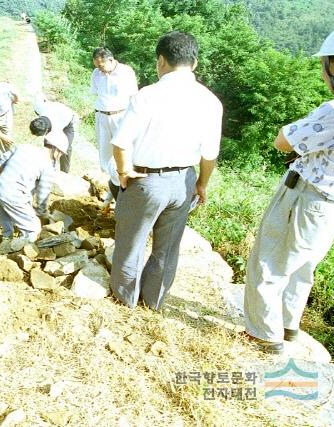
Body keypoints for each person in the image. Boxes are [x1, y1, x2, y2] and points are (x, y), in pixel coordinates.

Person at [243, 24, 334, 355]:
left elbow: (282, 140)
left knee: (268, 264)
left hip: (306, 198)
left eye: (325, 64)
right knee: (302, 266)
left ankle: (264, 335)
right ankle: (287, 325)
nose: (322, 71)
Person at [109, 31, 223, 311]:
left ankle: (126, 300)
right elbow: (210, 155)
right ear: (194, 63)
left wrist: (124, 172)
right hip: (183, 181)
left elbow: (121, 142)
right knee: (168, 248)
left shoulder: (147, 96)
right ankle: (154, 301)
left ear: (161, 61)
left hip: (146, 180)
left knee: (131, 243)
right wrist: (201, 184)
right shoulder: (210, 101)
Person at [0, 117, 68, 243]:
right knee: (33, 229)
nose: (60, 156)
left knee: (7, 229)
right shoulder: (47, 166)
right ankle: (21, 256)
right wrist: (44, 213)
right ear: (56, 150)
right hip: (12, 195)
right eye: (61, 153)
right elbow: (42, 196)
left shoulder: (23, 147)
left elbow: (0, 162)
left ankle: (4, 248)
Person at [91, 47, 138, 199]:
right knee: (105, 153)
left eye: (101, 65)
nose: (99, 69)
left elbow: (133, 96)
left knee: (124, 150)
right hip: (102, 116)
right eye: (97, 65)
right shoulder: (96, 74)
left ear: (111, 60)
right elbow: (96, 92)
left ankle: (125, 189)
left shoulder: (126, 72)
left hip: (121, 116)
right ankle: (112, 188)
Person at [34, 94, 77, 173]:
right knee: (48, 146)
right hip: (55, 114)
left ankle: (64, 172)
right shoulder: (39, 108)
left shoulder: (58, 125)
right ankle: (47, 170)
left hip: (68, 122)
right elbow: (38, 95)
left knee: (66, 148)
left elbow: (59, 141)